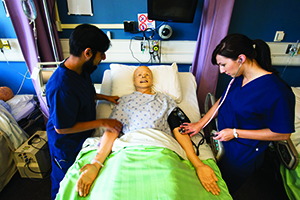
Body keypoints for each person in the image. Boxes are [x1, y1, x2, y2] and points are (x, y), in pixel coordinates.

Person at [75, 66, 221, 197]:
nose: (143, 76)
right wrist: (96, 163)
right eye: (139, 75)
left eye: (147, 74)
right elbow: (112, 130)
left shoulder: (166, 100)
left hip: (161, 148)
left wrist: (198, 164)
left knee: (170, 190)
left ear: (152, 80)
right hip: (129, 149)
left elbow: (179, 130)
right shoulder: (123, 101)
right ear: (133, 80)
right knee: (116, 191)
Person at [181, 33, 295, 194]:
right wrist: (200, 124)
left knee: (219, 190)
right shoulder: (239, 78)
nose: (221, 71)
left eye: (223, 65)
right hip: (224, 142)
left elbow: (282, 134)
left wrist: (235, 133)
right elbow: (223, 100)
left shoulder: (277, 92)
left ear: (241, 58)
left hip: (242, 154)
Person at [46, 24, 123, 200]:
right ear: (87, 52)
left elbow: (85, 92)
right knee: (65, 183)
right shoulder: (61, 87)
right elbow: (62, 128)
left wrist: (105, 97)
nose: (103, 57)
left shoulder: (81, 68)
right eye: (101, 53)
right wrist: (103, 122)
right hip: (66, 145)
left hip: (83, 137)